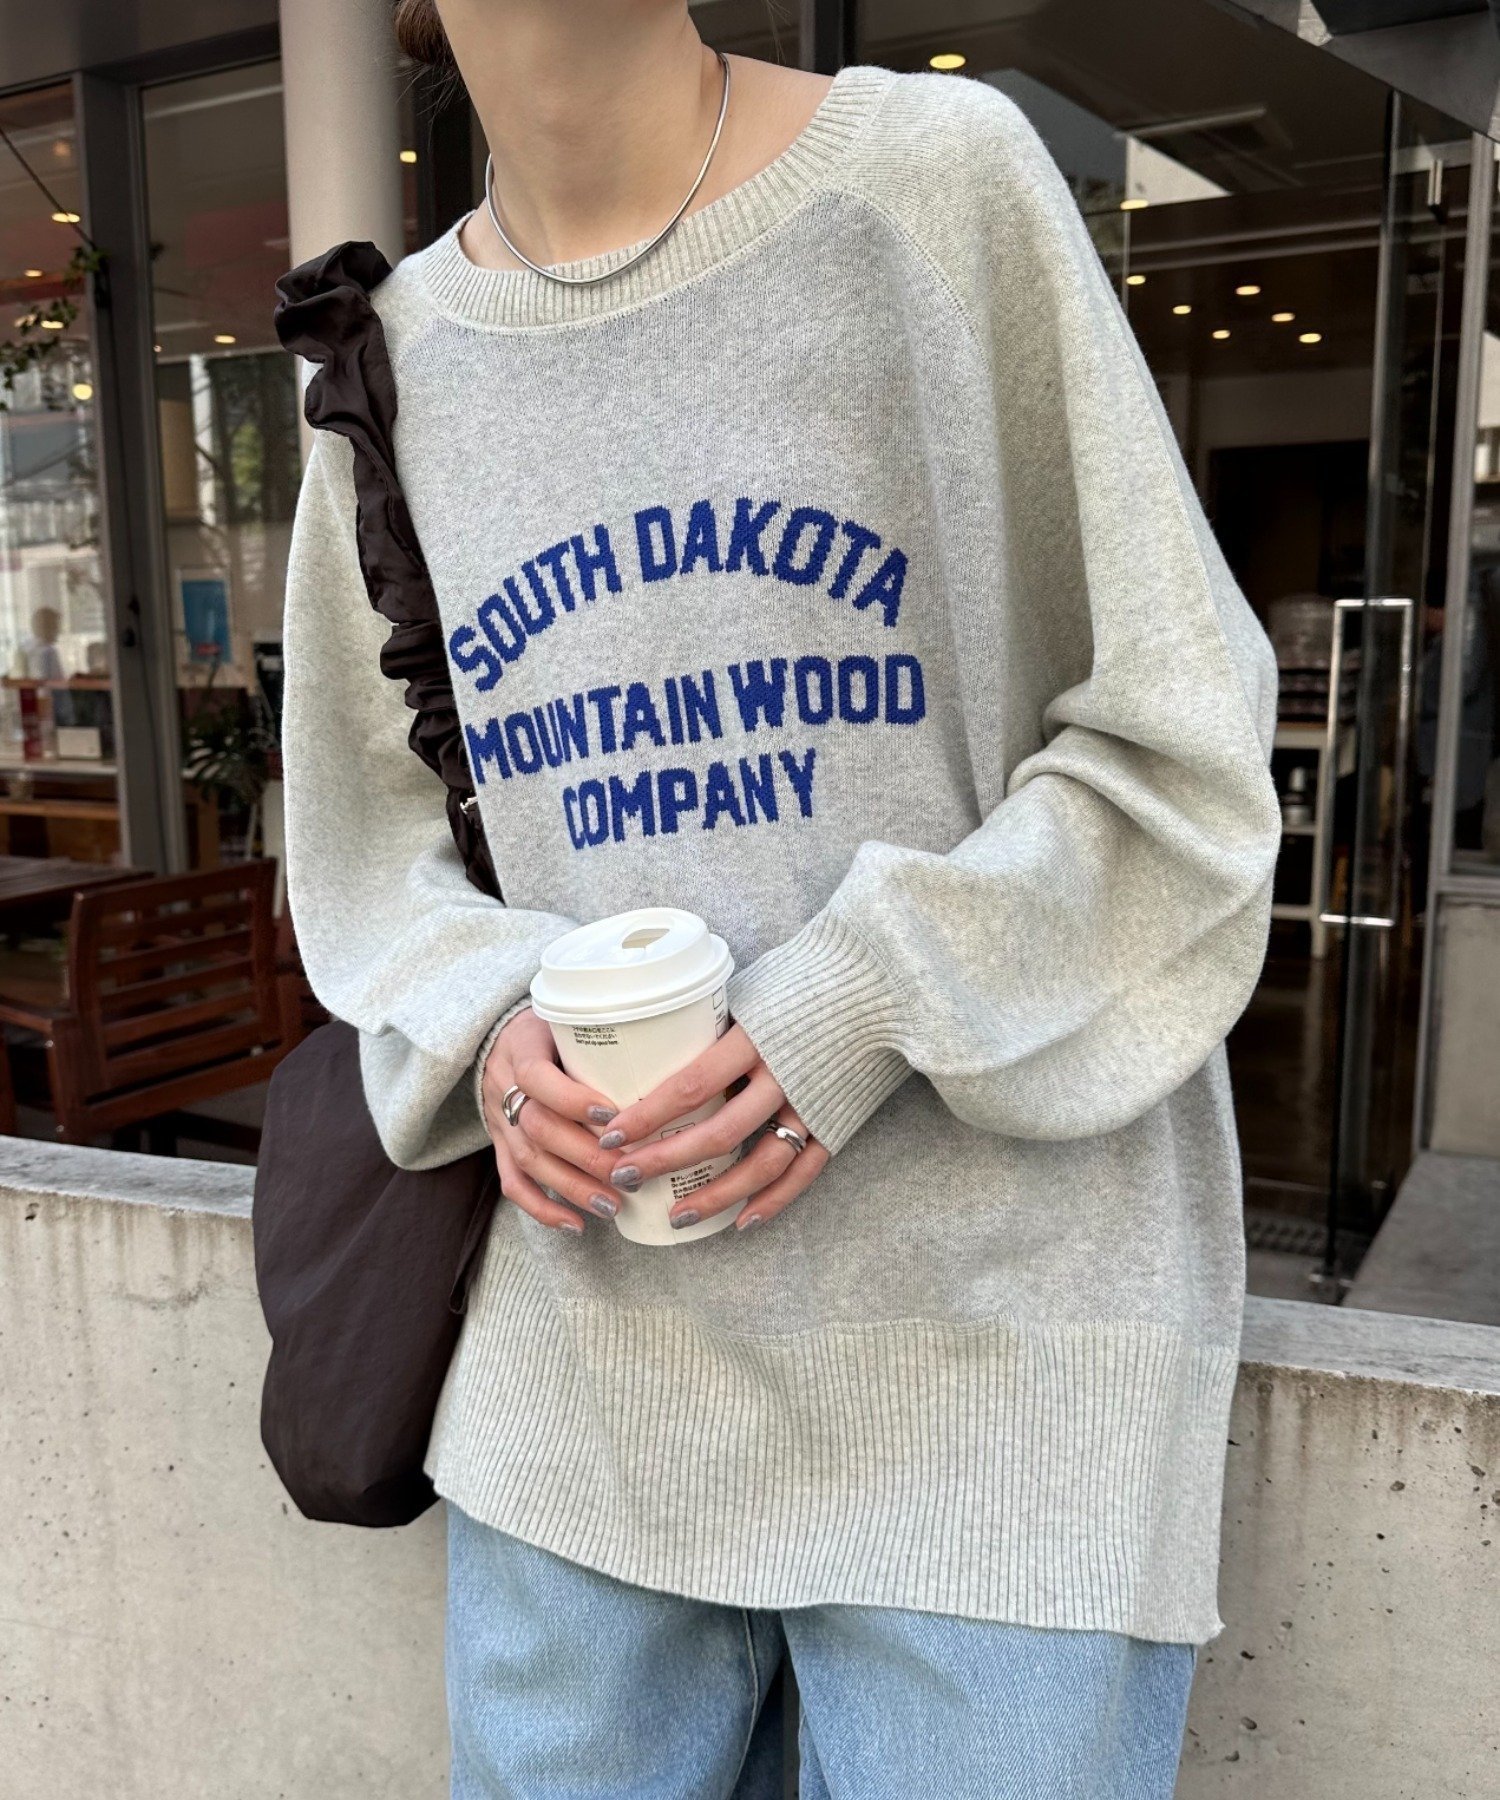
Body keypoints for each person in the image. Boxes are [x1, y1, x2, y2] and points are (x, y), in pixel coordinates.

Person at [279, 3, 1282, 1794]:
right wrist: (493, 1022)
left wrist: (854, 1003)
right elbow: (364, 857)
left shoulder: (931, 188)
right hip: (577, 1405)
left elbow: (1182, 749)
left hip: (996, 1381)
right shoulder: (389, 363)